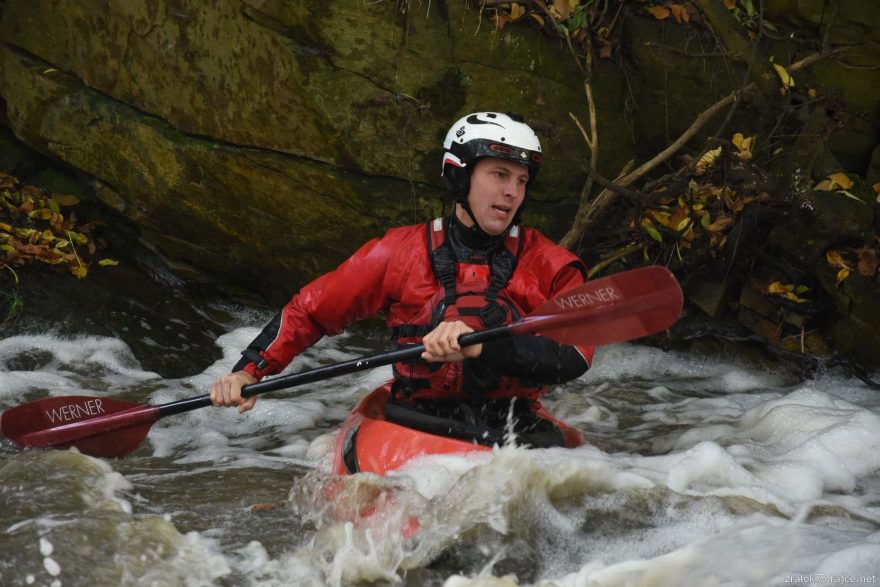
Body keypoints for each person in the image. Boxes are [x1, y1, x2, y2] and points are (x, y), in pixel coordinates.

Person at [211, 112, 593, 445]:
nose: (512, 192)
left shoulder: (553, 266)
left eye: (522, 181)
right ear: (459, 175)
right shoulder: (399, 252)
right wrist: (249, 370)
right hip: (415, 424)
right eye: (499, 174)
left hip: (517, 429)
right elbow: (310, 311)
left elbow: (575, 355)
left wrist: (480, 347)